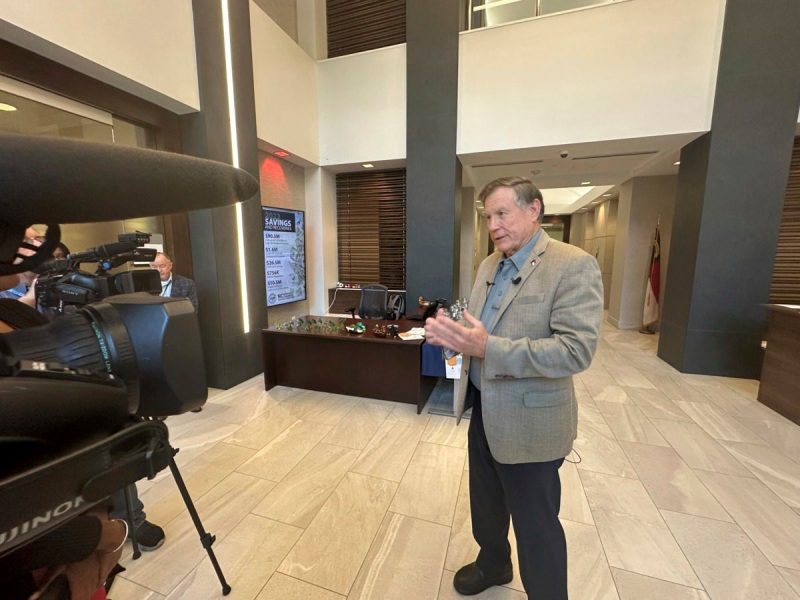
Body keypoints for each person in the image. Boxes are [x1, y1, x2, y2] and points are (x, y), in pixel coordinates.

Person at [424, 177, 603, 599]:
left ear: (534, 209)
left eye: (502, 213)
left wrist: (489, 347)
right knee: (485, 503)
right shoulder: (489, 264)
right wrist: (450, 328)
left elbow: (575, 351)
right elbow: (477, 320)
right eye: (488, 216)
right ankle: (494, 563)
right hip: (483, 408)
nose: (494, 225)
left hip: (531, 420)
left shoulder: (572, 265)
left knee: (535, 525)